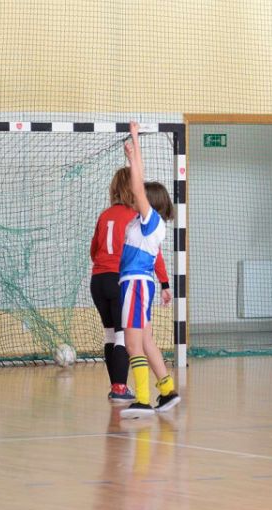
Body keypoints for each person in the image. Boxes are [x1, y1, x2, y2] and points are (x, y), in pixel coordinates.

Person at [90, 168, 170, 403]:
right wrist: (165, 282)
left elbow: (93, 251)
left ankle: (117, 386)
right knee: (124, 336)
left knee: (110, 334)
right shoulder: (136, 217)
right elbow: (156, 256)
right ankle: (123, 389)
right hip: (122, 280)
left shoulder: (105, 215)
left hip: (98, 280)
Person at [119, 122, 180, 419]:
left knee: (133, 345)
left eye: (142, 196)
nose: (135, 196)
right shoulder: (145, 224)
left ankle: (142, 400)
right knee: (145, 341)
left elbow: (137, 185)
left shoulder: (150, 220)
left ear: (150, 202)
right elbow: (138, 185)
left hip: (136, 285)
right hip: (140, 285)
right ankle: (167, 390)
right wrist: (133, 151)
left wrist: (135, 147)